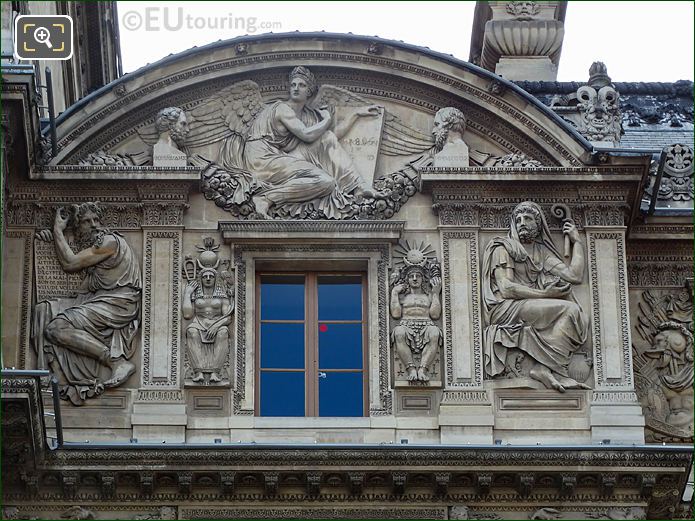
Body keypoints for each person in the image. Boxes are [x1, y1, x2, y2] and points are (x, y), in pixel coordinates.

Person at [222, 66, 379, 218]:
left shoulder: (307, 116)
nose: (296, 88)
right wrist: (328, 119)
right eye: (293, 85)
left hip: (280, 156)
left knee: (327, 139)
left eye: (302, 85)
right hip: (262, 160)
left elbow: (329, 137)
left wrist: (355, 115)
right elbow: (307, 136)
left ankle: (359, 187)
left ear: (309, 91)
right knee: (325, 181)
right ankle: (267, 198)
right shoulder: (282, 108)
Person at [32, 203, 142, 405]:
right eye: (86, 221)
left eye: (96, 220)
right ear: (77, 228)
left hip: (117, 303)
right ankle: (56, 381)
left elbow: (70, 263)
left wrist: (57, 229)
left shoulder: (109, 242)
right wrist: (50, 239)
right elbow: (81, 290)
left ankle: (115, 361)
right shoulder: (96, 249)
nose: (93, 225)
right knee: (43, 310)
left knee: (55, 328)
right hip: (102, 301)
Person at [483, 201, 589, 392]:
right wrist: (545, 294)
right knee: (570, 309)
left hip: (529, 304)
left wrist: (577, 242)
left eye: (528, 218)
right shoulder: (504, 247)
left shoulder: (542, 252)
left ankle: (544, 368)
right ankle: (551, 368)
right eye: (518, 219)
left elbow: (575, 275)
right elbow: (506, 289)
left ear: (538, 224)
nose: (522, 222)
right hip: (506, 308)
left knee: (578, 314)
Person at [390, 267, 443, 382]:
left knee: (434, 333)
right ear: (407, 279)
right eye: (411, 276)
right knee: (398, 332)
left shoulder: (428, 296)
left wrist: (435, 293)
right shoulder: (402, 297)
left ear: (423, 279)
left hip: (426, 324)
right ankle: (411, 369)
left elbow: (435, 315)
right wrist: (394, 293)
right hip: (406, 324)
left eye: (418, 276)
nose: (414, 279)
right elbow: (395, 314)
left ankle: (423, 369)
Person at [182, 267, 233, 384]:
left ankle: (215, 372)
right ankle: (198, 371)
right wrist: (187, 293)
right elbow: (187, 314)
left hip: (217, 323)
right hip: (199, 323)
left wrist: (216, 326)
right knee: (191, 331)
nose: (208, 279)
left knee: (223, 332)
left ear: (216, 279)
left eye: (211, 276)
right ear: (201, 279)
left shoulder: (222, 295)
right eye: (205, 277)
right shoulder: (196, 295)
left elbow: (228, 316)